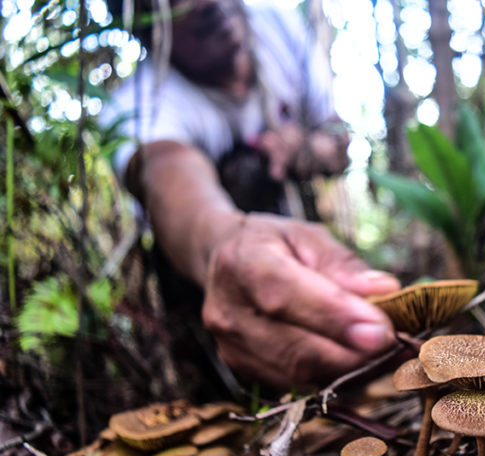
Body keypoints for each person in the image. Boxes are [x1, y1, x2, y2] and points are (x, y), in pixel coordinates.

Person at [101, 0, 401, 391]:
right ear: (145, 27)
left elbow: (336, 141)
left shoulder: (277, 25)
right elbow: (171, 182)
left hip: (302, 235)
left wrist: (305, 149)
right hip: (201, 287)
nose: (206, 4)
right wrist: (226, 243)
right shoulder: (140, 107)